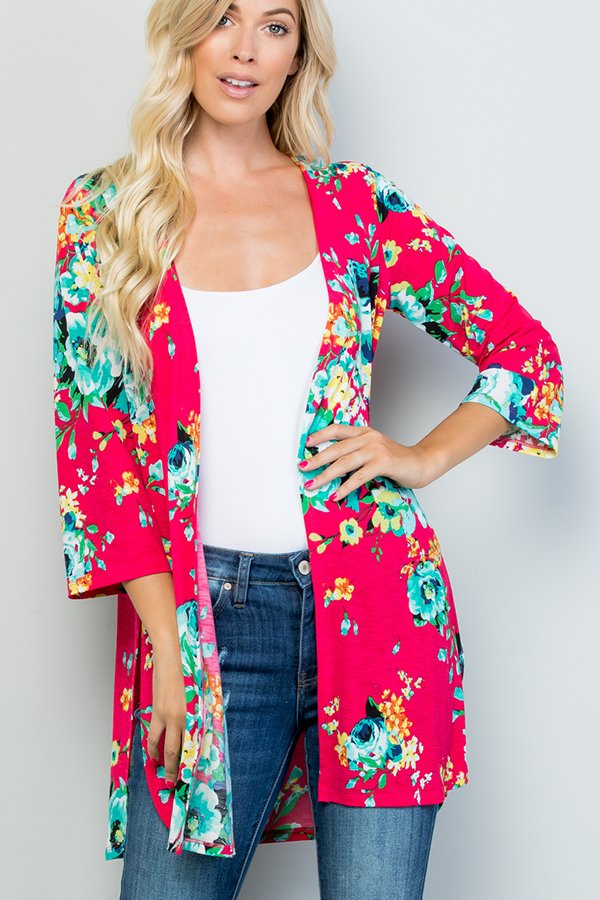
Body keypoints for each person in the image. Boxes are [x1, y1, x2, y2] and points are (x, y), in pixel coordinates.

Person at [52, 1, 564, 898]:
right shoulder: (107, 211)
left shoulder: (355, 204)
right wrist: (169, 649)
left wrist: (420, 457)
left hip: (380, 611)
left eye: (276, 25)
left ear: (298, 55)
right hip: (206, 620)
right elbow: (97, 459)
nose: (246, 48)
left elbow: (526, 354)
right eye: (223, 17)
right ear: (185, 32)